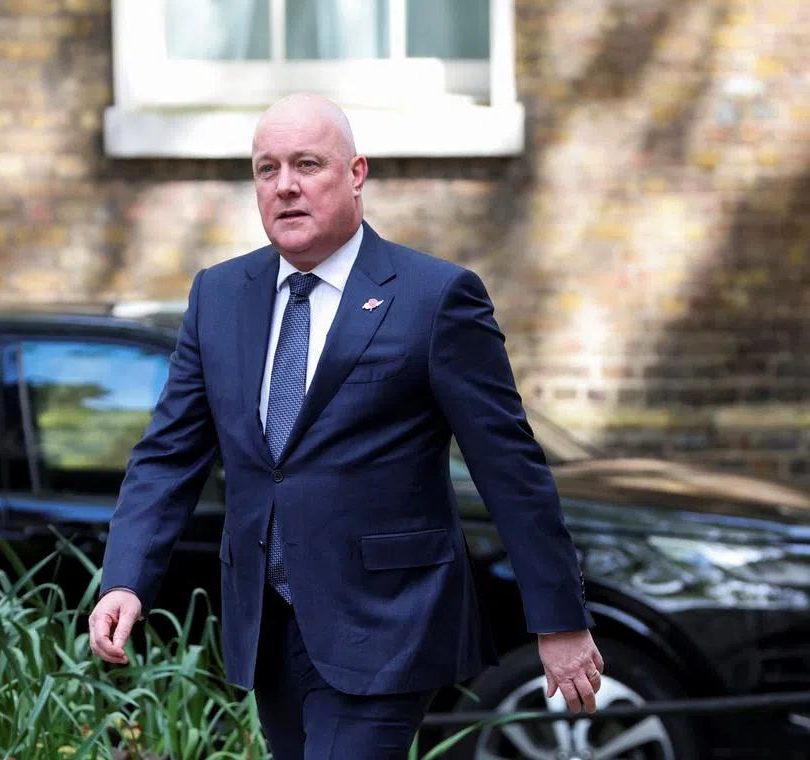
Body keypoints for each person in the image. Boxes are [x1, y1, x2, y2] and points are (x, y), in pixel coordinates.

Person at [89, 92, 604, 759]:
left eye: (307, 164)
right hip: (268, 622)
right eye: (267, 169)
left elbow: (510, 467)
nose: (286, 186)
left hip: (386, 618)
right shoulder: (218, 297)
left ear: (356, 174)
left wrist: (559, 618)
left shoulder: (434, 298)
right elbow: (168, 454)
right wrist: (126, 577)